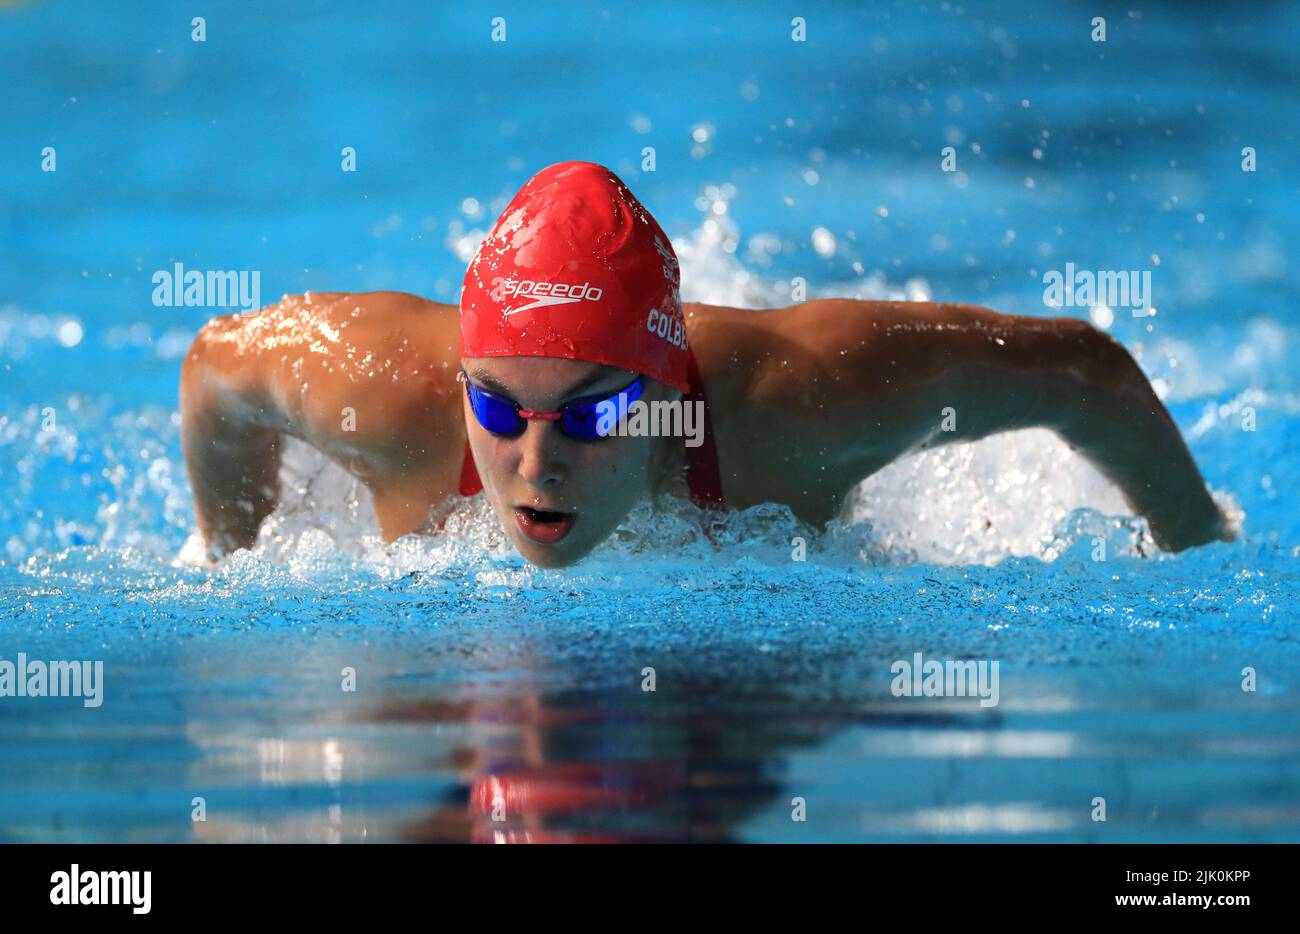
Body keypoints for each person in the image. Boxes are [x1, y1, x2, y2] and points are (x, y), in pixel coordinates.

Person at [180, 160, 1231, 568]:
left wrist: (1197, 550)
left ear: (669, 395)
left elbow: (1083, 370)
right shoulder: (388, 398)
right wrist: (232, 558)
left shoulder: (798, 404)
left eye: (589, 417)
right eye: (498, 411)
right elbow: (212, 367)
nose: (534, 462)